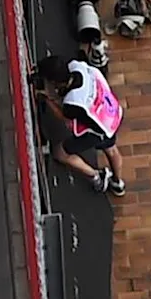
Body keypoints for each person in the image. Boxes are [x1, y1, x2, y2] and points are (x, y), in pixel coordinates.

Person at [51, 57, 126, 197]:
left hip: (98, 130)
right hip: (111, 116)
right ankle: (118, 183)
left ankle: (96, 176)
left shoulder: (73, 101)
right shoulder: (78, 66)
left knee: (60, 153)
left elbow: (64, 116)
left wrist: (46, 98)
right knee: (112, 150)